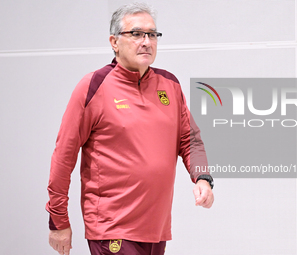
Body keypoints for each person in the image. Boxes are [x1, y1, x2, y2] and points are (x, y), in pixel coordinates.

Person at [46, 3, 214, 255]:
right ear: (114, 41)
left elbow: (189, 139)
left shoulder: (169, 85)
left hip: (156, 229)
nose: (146, 41)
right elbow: (64, 155)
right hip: (112, 227)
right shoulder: (93, 86)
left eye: (152, 34)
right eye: (136, 34)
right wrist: (58, 220)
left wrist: (202, 177)